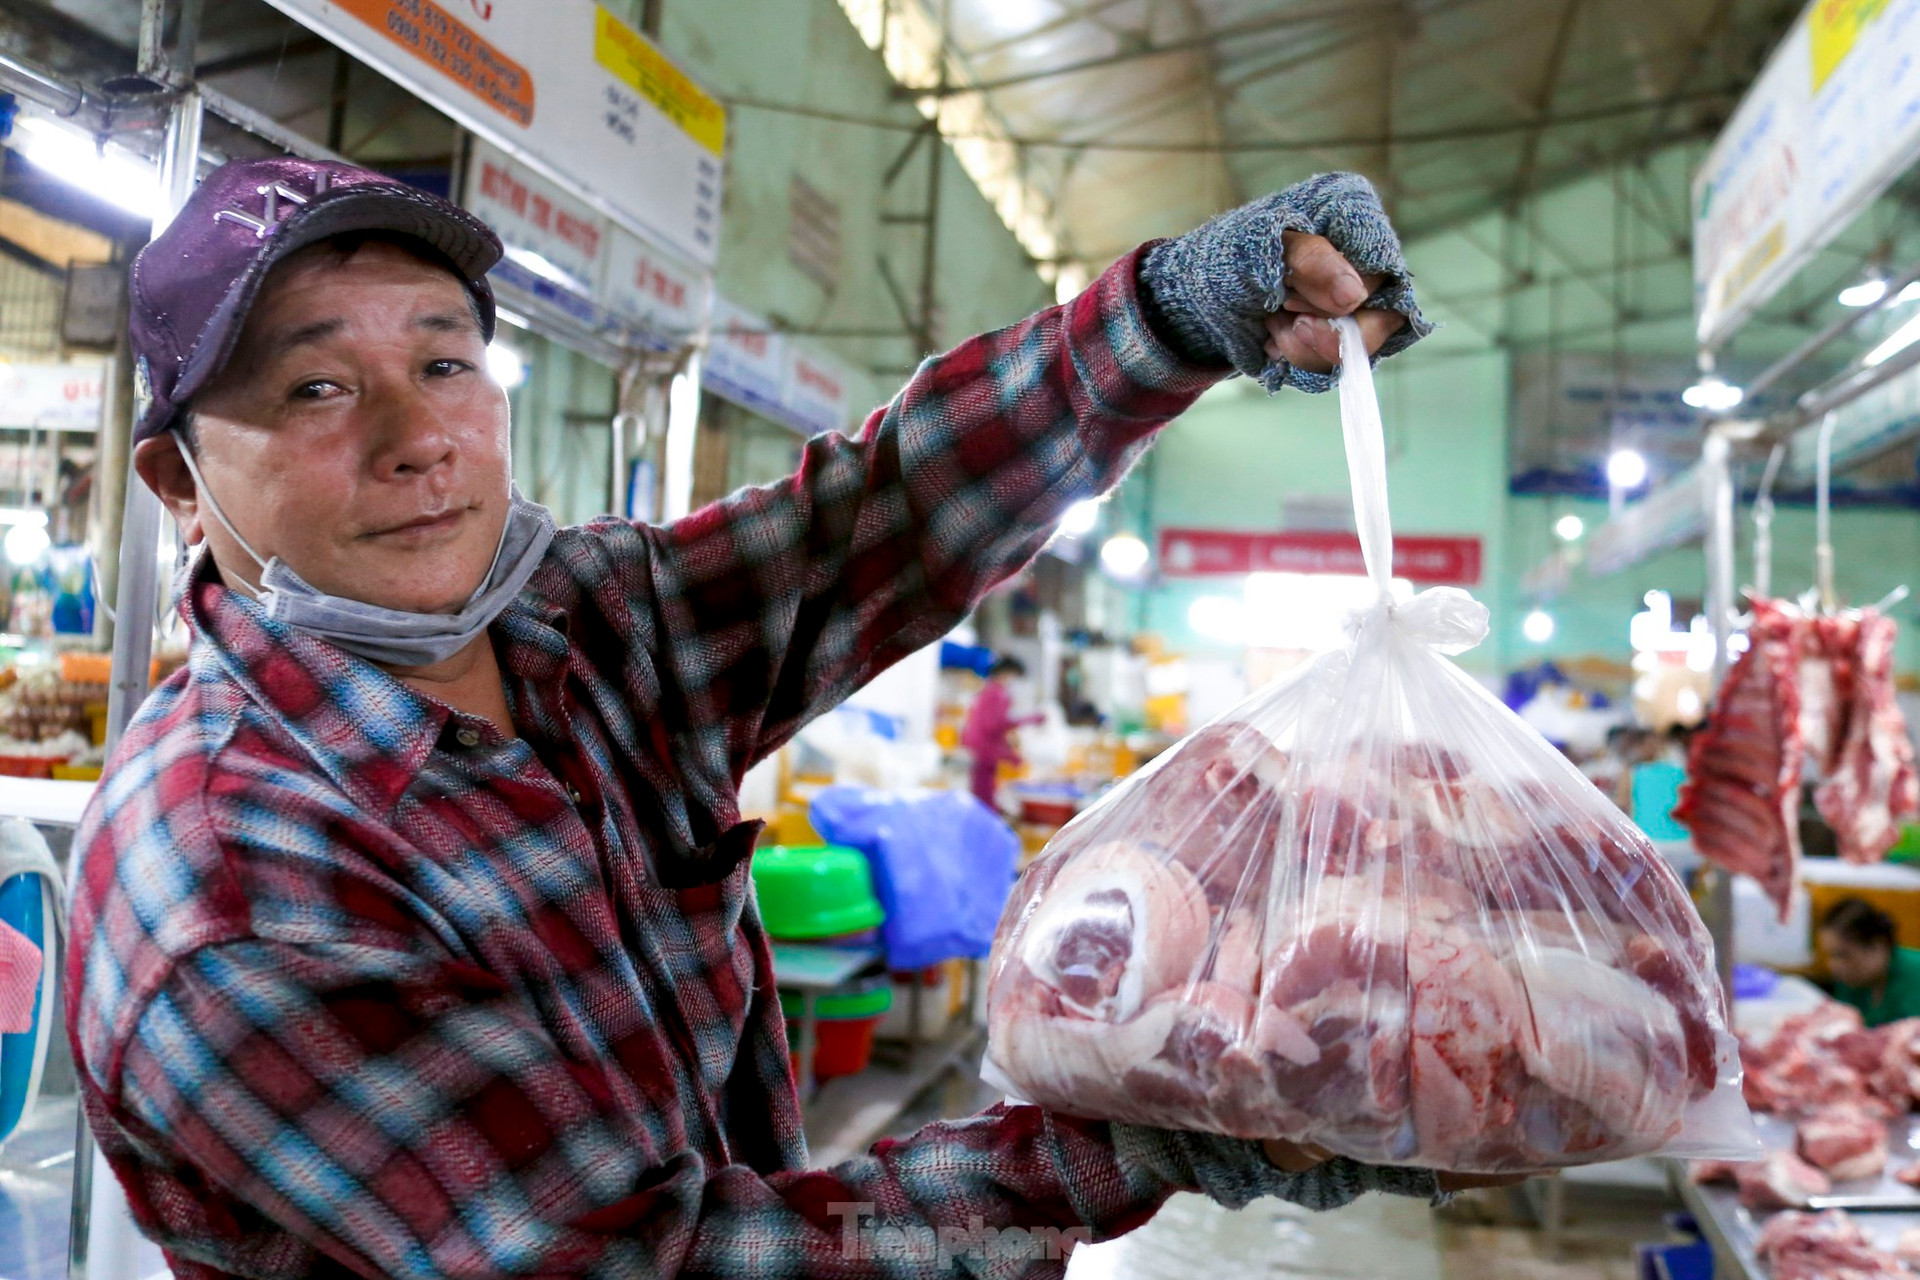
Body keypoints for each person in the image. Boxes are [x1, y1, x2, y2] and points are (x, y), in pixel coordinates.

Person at [66, 157, 1513, 1280]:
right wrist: (1121, 1142)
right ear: (180, 483)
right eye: (317, 386)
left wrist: (1163, 318)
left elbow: (873, 524)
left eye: (446, 362)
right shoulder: (234, 889)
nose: (418, 437)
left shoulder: (575, 627)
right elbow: (650, 1265)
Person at [960, 654, 1043, 809]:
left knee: (983, 794)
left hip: (982, 749)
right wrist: (1029, 720)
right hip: (984, 750)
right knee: (984, 801)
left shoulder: (991, 691)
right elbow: (993, 726)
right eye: (1014, 676)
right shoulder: (996, 694)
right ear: (1006, 673)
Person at [1820, 898, 1920, 1026]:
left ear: (1877, 946)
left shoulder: (1914, 974)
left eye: (1843, 955)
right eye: (1831, 956)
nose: (1833, 965)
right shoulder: (1850, 983)